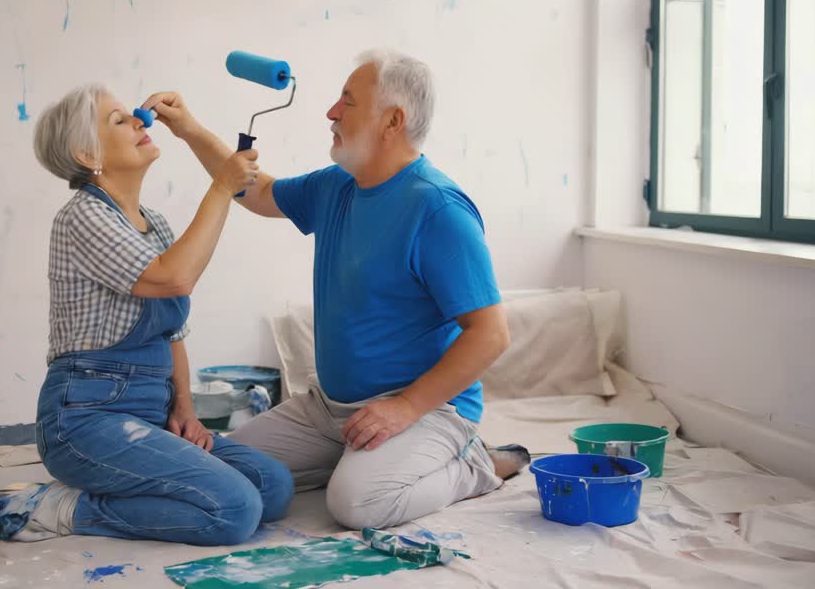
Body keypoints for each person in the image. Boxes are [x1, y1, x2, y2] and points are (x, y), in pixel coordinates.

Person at [141, 49, 528, 531]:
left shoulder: (438, 210)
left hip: (426, 411)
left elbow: (490, 334)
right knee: (214, 466)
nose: (330, 112)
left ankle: (476, 464)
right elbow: (255, 191)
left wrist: (404, 408)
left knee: (356, 505)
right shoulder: (337, 186)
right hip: (331, 410)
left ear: (392, 120)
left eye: (347, 101)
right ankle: (356, 459)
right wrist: (189, 128)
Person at [0, 83, 293, 546]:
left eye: (133, 115)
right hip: (84, 420)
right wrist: (223, 185)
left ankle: (130, 474)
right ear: (87, 154)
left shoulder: (155, 224)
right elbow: (174, 278)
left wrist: (185, 410)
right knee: (235, 510)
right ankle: (66, 507)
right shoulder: (82, 216)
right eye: (119, 120)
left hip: (150, 414)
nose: (141, 122)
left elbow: (173, 332)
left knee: (273, 487)